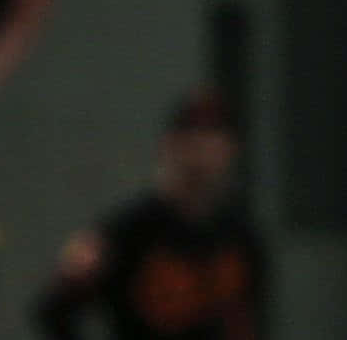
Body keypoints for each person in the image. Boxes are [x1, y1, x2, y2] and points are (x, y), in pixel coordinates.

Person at [35, 89, 267, 339]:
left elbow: (251, 320)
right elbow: (55, 311)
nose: (202, 149)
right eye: (191, 137)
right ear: (169, 145)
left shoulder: (241, 236)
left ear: (231, 150)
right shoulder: (129, 229)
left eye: (213, 138)